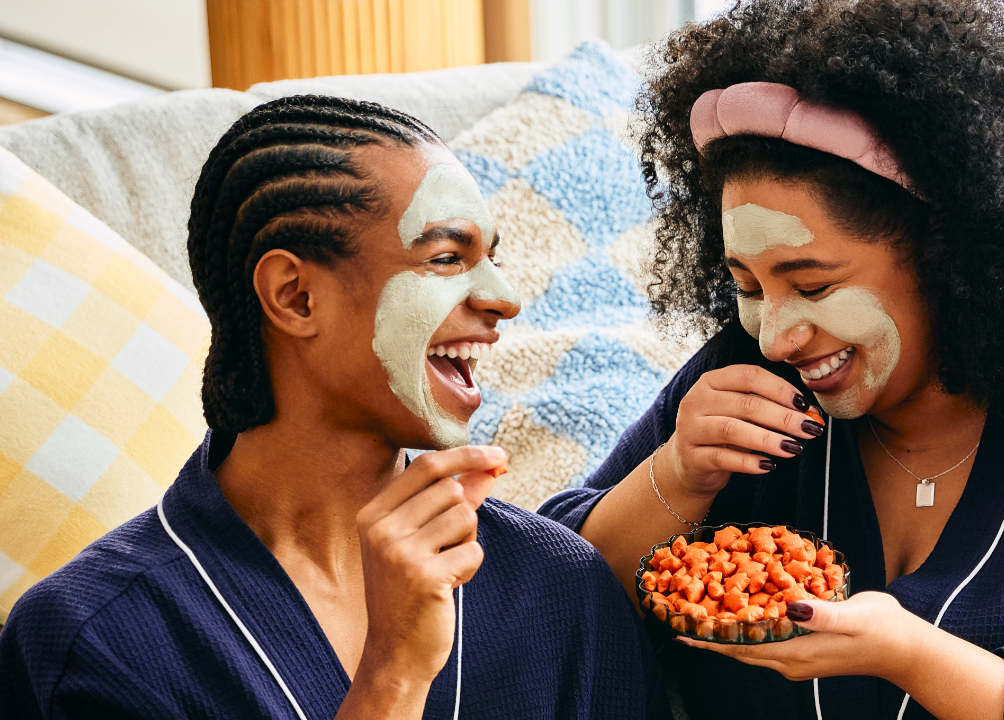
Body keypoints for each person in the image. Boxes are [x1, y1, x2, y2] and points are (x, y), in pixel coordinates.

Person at [539, 1, 1004, 718]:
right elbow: (541, 616)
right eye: (747, 286)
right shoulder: (741, 387)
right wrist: (673, 477)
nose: (776, 335)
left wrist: (915, 657)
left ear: (952, 254)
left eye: (814, 283)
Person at [0, 95, 669, 720]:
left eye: (490, 260)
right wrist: (392, 677)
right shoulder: (93, 638)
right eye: (444, 257)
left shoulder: (558, 586)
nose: (503, 299)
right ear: (295, 296)